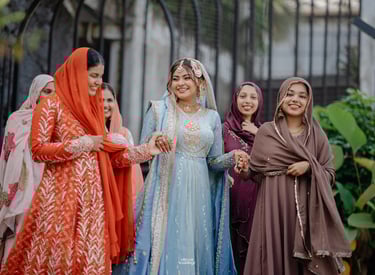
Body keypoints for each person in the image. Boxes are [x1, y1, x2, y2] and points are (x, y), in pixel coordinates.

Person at [0, 48, 161, 274]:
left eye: (101, 76)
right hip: (58, 201)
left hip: (92, 204)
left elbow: (110, 157)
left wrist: (147, 150)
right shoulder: (51, 105)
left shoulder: (92, 108)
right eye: (94, 75)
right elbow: (38, 150)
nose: (99, 82)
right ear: (77, 71)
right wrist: (82, 143)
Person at [113, 58, 247, 275]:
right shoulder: (159, 110)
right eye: (175, 78)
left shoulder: (212, 117)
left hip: (199, 195)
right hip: (168, 190)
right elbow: (143, 148)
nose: (180, 83)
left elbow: (213, 162)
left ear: (200, 83)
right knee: (167, 241)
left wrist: (234, 156)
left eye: (187, 78)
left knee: (195, 245)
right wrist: (156, 138)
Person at [242, 77, 351, 275]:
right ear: (280, 98)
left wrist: (309, 166)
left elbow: (329, 173)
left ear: (309, 101)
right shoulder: (266, 132)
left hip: (305, 212)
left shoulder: (317, 135)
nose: (295, 99)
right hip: (272, 210)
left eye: (302, 96)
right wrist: (243, 170)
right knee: (271, 256)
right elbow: (255, 172)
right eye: (290, 94)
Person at [0, 74, 55, 266]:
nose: (49, 98)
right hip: (21, 186)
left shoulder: (56, 122)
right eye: (46, 92)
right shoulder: (17, 118)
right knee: (19, 231)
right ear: (35, 93)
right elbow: (8, 155)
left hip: (46, 185)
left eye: (54, 94)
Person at [223, 82, 263, 274]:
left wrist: (259, 134)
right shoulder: (224, 129)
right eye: (243, 96)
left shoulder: (266, 131)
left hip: (257, 200)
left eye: (253, 97)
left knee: (254, 252)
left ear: (259, 101)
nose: (248, 101)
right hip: (230, 197)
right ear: (235, 100)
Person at [102, 82, 144, 220]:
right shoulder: (87, 132)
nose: (106, 105)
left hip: (120, 193)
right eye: (100, 100)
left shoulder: (124, 133)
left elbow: (133, 169)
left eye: (109, 100)